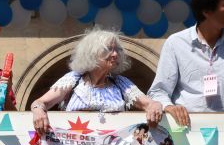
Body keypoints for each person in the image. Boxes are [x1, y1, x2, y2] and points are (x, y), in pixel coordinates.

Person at [30, 27, 164, 134]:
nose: (115, 54)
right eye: (108, 49)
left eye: (117, 50)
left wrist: (155, 105)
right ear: (92, 53)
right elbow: (40, 102)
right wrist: (38, 110)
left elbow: (149, 104)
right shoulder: (74, 79)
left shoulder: (121, 83)